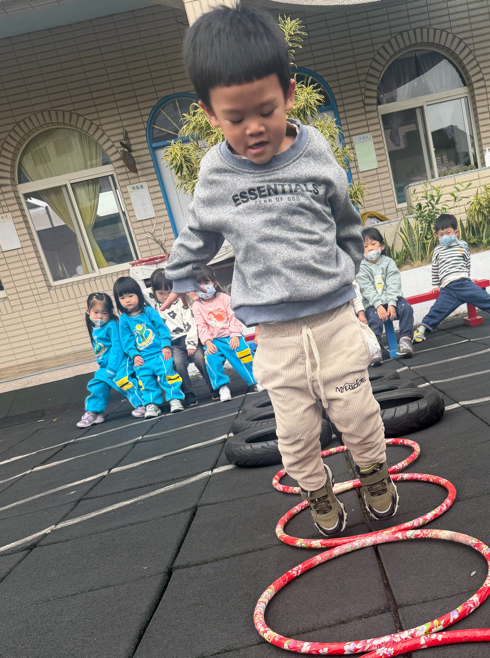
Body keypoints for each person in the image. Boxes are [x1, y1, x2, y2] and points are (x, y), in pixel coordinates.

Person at [162, 3, 397, 536]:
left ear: (288, 94)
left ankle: (373, 473)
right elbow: (199, 231)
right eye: (235, 118)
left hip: (334, 320)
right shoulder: (216, 173)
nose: (254, 129)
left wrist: (344, 267)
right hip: (275, 334)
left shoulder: (314, 151)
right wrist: (180, 276)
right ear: (209, 113)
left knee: (359, 416)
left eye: (266, 110)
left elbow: (345, 217)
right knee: (294, 434)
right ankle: (317, 490)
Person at [412, 214, 490, 344]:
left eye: (448, 233)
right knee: (437, 310)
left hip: (463, 283)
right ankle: (421, 330)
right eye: (441, 234)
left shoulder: (462, 245)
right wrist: (435, 286)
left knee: (483, 297)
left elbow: (467, 262)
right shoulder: (438, 250)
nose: (445, 236)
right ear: (437, 236)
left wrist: (467, 278)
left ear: (456, 232)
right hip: (448, 287)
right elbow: (435, 268)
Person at [114, 276, 185, 418]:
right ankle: (152, 404)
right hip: (142, 358)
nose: (127, 300)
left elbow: (162, 329)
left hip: (159, 353)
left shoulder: (149, 311)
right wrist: (134, 355)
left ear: (138, 295)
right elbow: (126, 340)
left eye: (130, 296)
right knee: (146, 382)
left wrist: (166, 346)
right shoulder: (124, 319)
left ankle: (174, 399)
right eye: (122, 298)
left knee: (168, 375)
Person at [77, 292, 147, 428]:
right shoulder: (94, 328)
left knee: (123, 380)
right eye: (96, 312)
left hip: (120, 362)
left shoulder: (112, 325)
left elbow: (117, 348)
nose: (100, 316)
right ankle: (93, 413)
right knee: (97, 384)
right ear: (87, 310)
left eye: (104, 313)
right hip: (106, 366)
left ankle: (143, 404)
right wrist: (104, 365)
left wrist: (112, 368)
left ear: (110, 312)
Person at [192, 266, 258, 403]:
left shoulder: (225, 298)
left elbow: (233, 317)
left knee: (243, 353)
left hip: (231, 336)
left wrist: (235, 335)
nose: (203, 287)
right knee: (211, 358)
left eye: (206, 282)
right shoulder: (197, 305)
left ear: (215, 284)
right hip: (214, 340)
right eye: (199, 284)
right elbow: (201, 325)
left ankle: (255, 380)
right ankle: (222, 387)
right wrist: (208, 342)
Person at [149, 268, 214, 406]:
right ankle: (189, 393)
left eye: (169, 292)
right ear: (154, 292)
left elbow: (190, 323)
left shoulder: (181, 303)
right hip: (174, 343)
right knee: (178, 364)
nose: (166, 297)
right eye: (161, 293)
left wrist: (191, 344)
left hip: (189, 339)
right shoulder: (155, 308)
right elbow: (143, 293)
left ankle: (213, 386)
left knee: (201, 359)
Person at [357, 227, 414, 358]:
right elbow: (366, 289)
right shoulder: (361, 268)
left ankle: (405, 340)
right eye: (365, 246)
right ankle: (375, 348)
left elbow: (393, 284)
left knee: (406, 309)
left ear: (381, 246)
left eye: (373, 244)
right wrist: (378, 305)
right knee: (374, 319)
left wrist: (392, 303)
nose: (370, 249)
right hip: (373, 304)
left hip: (392, 300)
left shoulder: (389, 263)